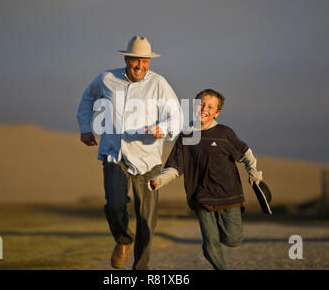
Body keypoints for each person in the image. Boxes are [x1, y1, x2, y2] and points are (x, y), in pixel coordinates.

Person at [77, 36, 182, 270]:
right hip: (115, 156)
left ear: (149, 62)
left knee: (147, 220)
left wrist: (162, 129)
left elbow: (175, 115)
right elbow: (87, 100)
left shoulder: (159, 84)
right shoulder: (106, 79)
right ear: (126, 59)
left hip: (148, 161)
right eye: (136, 60)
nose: (140, 66)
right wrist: (86, 128)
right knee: (114, 205)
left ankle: (140, 269)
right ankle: (123, 239)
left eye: (145, 61)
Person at [149, 89, 263, 270]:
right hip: (201, 196)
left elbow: (245, 154)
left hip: (229, 196)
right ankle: (214, 254)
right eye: (201, 104)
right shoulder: (186, 136)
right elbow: (175, 167)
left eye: (210, 107)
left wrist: (254, 173)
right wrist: (159, 181)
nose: (204, 109)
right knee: (211, 244)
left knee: (233, 240)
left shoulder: (225, 133)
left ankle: (216, 238)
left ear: (217, 113)